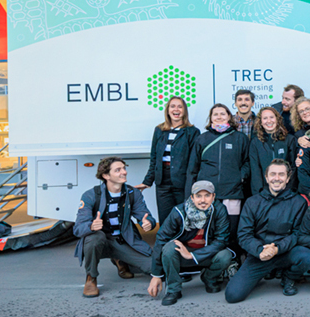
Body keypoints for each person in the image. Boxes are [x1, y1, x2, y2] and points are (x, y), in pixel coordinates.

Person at [225, 160, 310, 303]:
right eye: (273, 174)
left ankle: (288, 277)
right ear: (266, 177)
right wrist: (259, 250)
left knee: (306, 256)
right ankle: (259, 275)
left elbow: (298, 233)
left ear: (288, 178)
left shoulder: (298, 202)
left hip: (285, 252)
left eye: (281, 174)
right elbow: (244, 234)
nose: (276, 178)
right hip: (259, 254)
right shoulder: (252, 202)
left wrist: (277, 248)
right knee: (233, 296)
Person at [73, 157, 156, 298]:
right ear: (106, 176)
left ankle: (120, 259)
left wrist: (148, 223)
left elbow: (145, 215)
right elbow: (78, 228)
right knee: (93, 239)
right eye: (118, 170)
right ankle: (91, 278)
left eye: (124, 168)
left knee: (154, 267)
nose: (124, 172)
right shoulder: (91, 195)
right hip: (102, 240)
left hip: (123, 241)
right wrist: (91, 226)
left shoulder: (132, 193)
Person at [147, 180, 233, 306]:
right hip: (182, 254)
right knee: (169, 248)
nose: (203, 200)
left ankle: (209, 278)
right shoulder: (179, 212)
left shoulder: (219, 210)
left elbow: (221, 240)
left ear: (213, 197)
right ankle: (173, 289)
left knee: (225, 255)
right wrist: (156, 275)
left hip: (205, 254)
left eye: (207, 195)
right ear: (192, 197)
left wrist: (192, 256)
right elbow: (161, 239)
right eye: (198, 196)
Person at [187, 103, 250, 262]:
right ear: (211, 118)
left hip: (233, 192)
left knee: (232, 229)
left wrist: (240, 177)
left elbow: (247, 162)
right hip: (207, 195)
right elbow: (193, 167)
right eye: (216, 114)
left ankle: (233, 261)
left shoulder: (240, 138)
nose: (219, 117)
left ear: (229, 116)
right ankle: (212, 263)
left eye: (223, 114)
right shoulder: (202, 138)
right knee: (210, 229)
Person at [136, 96, 200, 225]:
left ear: (184, 111)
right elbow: (154, 158)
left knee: (183, 218)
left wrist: (191, 184)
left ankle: (182, 244)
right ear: (168, 110)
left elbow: (194, 162)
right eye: (173, 106)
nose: (176, 109)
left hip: (182, 182)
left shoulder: (192, 132)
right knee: (165, 219)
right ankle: (166, 244)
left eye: (179, 106)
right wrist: (147, 181)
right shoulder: (159, 130)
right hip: (162, 182)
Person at [248, 106, 298, 197]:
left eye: (271, 117)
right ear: (260, 122)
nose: (269, 121)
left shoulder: (289, 140)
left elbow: (293, 167)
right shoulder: (255, 143)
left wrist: (289, 189)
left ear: (277, 119)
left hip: (286, 192)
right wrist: (260, 192)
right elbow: (255, 169)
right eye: (265, 118)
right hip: (264, 193)